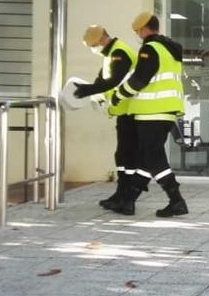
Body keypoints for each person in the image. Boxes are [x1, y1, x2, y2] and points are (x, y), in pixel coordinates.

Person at [106, 12, 189, 218]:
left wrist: (118, 95)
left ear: (144, 29)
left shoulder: (150, 49)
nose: (137, 35)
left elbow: (139, 79)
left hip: (152, 111)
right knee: (146, 157)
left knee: (153, 156)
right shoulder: (169, 49)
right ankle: (129, 201)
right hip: (165, 111)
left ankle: (176, 200)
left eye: (137, 31)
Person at [72, 25, 138, 210]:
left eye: (93, 45)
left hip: (131, 111)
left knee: (128, 156)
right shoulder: (109, 55)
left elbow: (114, 81)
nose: (93, 49)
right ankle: (121, 194)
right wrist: (87, 88)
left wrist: (88, 90)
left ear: (102, 40)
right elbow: (101, 81)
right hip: (122, 111)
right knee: (122, 155)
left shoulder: (120, 53)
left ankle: (128, 199)